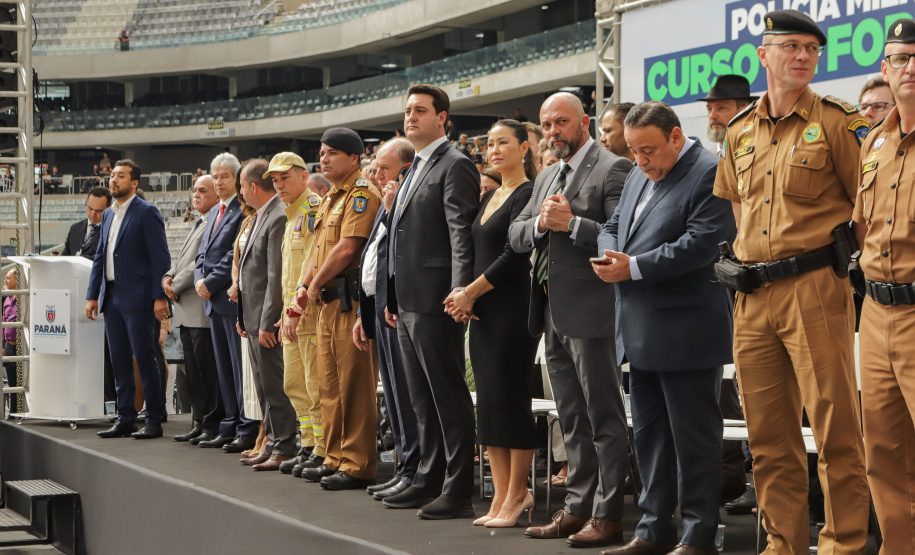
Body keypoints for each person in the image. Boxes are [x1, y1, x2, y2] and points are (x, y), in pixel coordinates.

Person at [713, 10, 870, 554]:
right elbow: (738, 209)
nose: (803, 56)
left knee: (835, 433)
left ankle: (842, 545)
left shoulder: (838, 121)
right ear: (764, 54)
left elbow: (865, 209)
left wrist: (837, 264)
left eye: (812, 48)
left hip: (815, 289)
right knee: (768, 439)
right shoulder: (737, 131)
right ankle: (783, 546)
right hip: (752, 295)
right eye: (791, 46)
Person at [595, 101, 736, 555]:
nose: (640, 161)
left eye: (648, 150)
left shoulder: (710, 170)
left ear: (676, 136)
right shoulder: (640, 170)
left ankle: (698, 535)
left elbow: (702, 244)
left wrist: (632, 266)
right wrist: (609, 253)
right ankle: (654, 529)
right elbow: (613, 224)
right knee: (649, 436)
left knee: (693, 440)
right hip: (639, 327)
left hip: (687, 328)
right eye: (634, 151)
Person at [509, 92, 632, 548]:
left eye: (562, 122)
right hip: (550, 312)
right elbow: (516, 232)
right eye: (547, 124)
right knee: (572, 419)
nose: (554, 131)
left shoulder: (614, 168)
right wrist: (541, 225)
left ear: (585, 122)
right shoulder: (544, 176)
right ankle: (577, 507)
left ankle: (609, 514)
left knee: (604, 418)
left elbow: (624, 238)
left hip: (595, 311)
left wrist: (572, 224)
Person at [378, 84, 478, 520]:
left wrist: (460, 290)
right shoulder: (414, 166)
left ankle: (458, 489)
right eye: (407, 111)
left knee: (448, 397)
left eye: (420, 110)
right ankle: (427, 479)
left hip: (439, 302)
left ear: (443, 118)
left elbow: (461, 234)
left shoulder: (454, 163)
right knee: (421, 398)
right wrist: (392, 291)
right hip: (408, 300)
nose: (411, 117)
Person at [446, 119, 539, 528]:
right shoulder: (489, 196)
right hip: (482, 309)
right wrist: (464, 295)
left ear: (525, 148)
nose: (494, 149)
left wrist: (471, 292)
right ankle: (501, 494)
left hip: (513, 310)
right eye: (490, 143)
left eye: (504, 143)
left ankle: (519, 493)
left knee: (512, 401)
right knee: (489, 405)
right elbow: (475, 251)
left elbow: (513, 256)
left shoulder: (528, 193)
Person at [852, 18, 915, 555]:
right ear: (885, 68)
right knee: (883, 455)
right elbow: (862, 229)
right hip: (875, 313)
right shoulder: (874, 142)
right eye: (900, 58)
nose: (910, 67)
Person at [292, 128, 382, 490]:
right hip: (327, 301)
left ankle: (358, 463)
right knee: (329, 384)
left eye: (332, 153)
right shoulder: (331, 197)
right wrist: (304, 285)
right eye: (322, 152)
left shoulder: (361, 194)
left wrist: (312, 284)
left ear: (354, 158)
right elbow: (319, 250)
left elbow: (347, 249)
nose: (323, 158)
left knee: (354, 385)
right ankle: (334, 456)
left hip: (351, 300)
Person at [696, 74, 758, 503]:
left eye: (720, 108)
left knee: (751, 389)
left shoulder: (755, 143)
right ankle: (735, 477)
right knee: (729, 389)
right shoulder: (720, 152)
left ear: (741, 106)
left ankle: (744, 478)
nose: (713, 116)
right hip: (725, 282)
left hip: (758, 279)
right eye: (711, 109)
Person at [354, 137, 421, 500]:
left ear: (405, 170)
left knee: (405, 397)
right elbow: (372, 264)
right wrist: (364, 314)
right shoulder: (384, 202)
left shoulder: (397, 203)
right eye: (375, 167)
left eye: (384, 168)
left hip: (397, 309)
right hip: (378, 308)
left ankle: (413, 470)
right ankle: (403, 468)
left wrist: (395, 208)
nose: (376, 174)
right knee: (393, 397)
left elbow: (397, 255)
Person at [86, 159, 171, 440]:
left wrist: (159, 296)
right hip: (111, 297)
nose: (114, 180)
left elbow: (161, 258)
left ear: (134, 183)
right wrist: (92, 295)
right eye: (112, 176)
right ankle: (125, 417)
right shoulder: (108, 214)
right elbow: (100, 256)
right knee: (119, 360)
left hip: (139, 298)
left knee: (145, 359)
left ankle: (155, 419)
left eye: (120, 176)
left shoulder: (147, 212)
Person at [194, 153, 259, 452]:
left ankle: (246, 425)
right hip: (213, 301)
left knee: (238, 367)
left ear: (236, 179)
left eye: (224, 177)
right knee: (224, 369)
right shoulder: (214, 212)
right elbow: (203, 254)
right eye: (215, 176)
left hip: (230, 299)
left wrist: (209, 283)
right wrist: (198, 278)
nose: (219, 182)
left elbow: (231, 259)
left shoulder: (242, 212)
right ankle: (231, 423)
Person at [269, 152, 328, 475]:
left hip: (308, 315)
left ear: (304, 177)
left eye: (285, 178)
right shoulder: (292, 214)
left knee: (314, 385)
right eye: (275, 181)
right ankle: (308, 444)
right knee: (294, 384)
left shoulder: (312, 210)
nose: (279, 185)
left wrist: (296, 306)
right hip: (291, 315)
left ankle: (321, 448)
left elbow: (312, 265)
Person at [235, 159, 296, 471]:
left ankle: (284, 445)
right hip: (252, 315)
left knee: (274, 385)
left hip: (265, 319)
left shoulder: (277, 217)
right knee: (262, 385)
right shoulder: (262, 215)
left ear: (253, 187)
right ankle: (272, 442)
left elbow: (275, 276)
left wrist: (267, 321)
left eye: (242, 186)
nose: (241, 193)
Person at [164, 175, 225, 444]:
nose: (196, 194)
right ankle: (199, 422)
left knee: (206, 372)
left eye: (203, 190)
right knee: (193, 373)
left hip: (200, 308)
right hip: (185, 309)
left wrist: (173, 285)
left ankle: (211, 423)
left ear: (217, 195)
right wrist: (167, 278)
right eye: (194, 190)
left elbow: (201, 264)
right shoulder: (199, 222)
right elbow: (181, 260)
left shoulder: (215, 222)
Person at [229, 192, 266, 457]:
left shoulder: (269, 218)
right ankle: (261, 434)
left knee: (265, 378)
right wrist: (235, 285)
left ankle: (266, 434)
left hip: (260, 303)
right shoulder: (246, 221)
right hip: (245, 302)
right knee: (252, 377)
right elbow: (237, 261)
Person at [698, 75, 758, 153]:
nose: (712, 116)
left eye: (720, 108)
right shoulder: (706, 160)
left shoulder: (759, 152)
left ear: (744, 112)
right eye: (709, 109)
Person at [62, 186, 111, 258]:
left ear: (109, 208)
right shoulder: (75, 228)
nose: (93, 214)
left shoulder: (112, 231)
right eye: (90, 208)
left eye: (98, 211)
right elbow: (65, 255)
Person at [2, 269, 18, 407]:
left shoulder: (24, 298)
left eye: (8, 278)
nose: (5, 281)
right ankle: (13, 413)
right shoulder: (6, 299)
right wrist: (2, 346)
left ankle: (20, 411)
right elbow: (3, 324)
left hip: (21, 345)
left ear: (17, 281)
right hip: (8, 345)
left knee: (21, 380)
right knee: (12, 381)